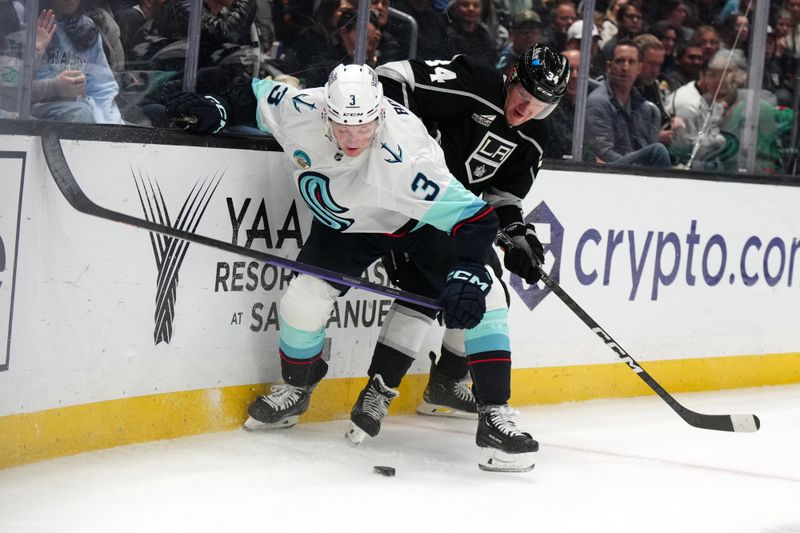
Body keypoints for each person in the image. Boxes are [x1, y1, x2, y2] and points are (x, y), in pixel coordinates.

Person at [165, 63, 540, 472]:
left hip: (416, 220)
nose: (354, 138)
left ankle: (495, 417)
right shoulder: (302, 107)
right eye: (344, 127)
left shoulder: (406, 159)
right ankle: (299, 385)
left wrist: (468, 269)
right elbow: (252, 96)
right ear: (326, 112)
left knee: (487, 296)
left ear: (379, 115)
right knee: (302, 301)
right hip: (348, 227)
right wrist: (217, 110)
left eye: (364, 127)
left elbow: (476, 219)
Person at [344, 44, 569, 452]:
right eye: (524, 94)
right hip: (404, 201)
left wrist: (518, 235)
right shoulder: (472, 82)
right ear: (513, 76)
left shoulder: (534, 136)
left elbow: (502, 196)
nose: (527, 108)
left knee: (476, 292)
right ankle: (392, 390)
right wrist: (406, 141)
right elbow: (392, 76)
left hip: (458, 216)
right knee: (443, 291)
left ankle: (440, 384)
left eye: (541, 103)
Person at [29, 0, 124, 124]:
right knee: (80, 113)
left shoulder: (86, 27)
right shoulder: (27, 23)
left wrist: (110, 127)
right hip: (38, 115)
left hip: (84, 109)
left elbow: (102, 87)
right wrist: (36, 53)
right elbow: (14, 89)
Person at [584, 38, 671, 167]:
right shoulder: (598, 103)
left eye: (631, 62)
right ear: (609, 66)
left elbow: (643, 145)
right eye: (620, 61)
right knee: (657, 151)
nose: (625, 67)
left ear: (639, 68)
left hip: (635, 173)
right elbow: (604, 154)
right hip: (610, 172)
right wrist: (638, 168)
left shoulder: (643, 106)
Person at [495, 10, 542, 74]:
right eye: (524, 31)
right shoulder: (504, 61)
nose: (529, 35)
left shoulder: (544, 56)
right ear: (513, 34)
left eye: (534, 31)